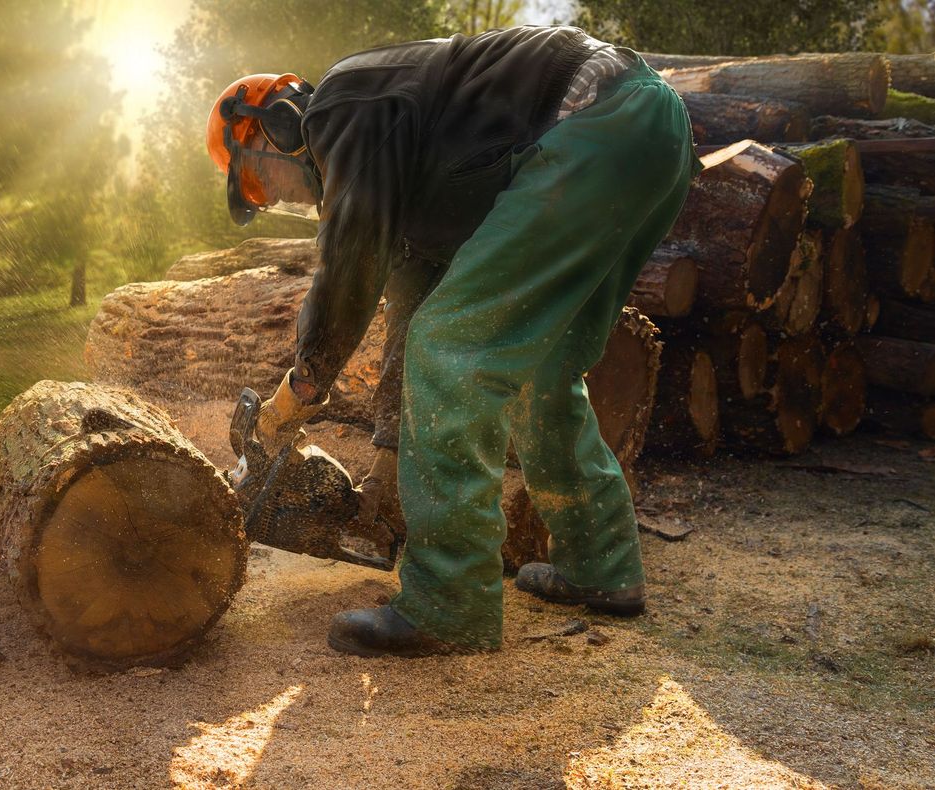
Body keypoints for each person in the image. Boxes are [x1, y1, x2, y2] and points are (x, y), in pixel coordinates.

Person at [205, 25, 700, 657]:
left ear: (274, 126)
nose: (283, 197)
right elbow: (408, 318)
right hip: (650, 133)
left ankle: (450, 601)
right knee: (541, 370)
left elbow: (350, 264)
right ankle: (601, 565)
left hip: (593, 125)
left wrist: (305, 383)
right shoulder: (416, 176)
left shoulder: (342, 104)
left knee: (456, 346)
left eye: (265, 183)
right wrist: (388, 449)